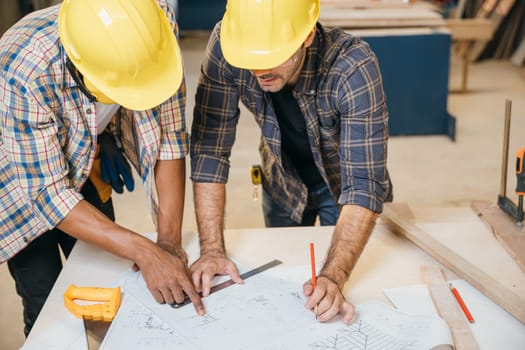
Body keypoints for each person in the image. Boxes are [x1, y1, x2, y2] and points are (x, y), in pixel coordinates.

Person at [0, 0, 204, 337]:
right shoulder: (22, 68)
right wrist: (145, 250)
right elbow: (48, 195)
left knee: (103, 283)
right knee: (46, 301)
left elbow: (169, 138)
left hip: (83, 155)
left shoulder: (153, 29)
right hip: (16, 180)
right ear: (81, 68)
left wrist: (167, 243)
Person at [189, 0, 392, 324]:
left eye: (272, 58)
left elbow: (364, 185)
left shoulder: (353, 66)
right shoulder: (230, 43)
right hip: (282, 181)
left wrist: (333, 278)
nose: (259, 71)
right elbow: (210, 151)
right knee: (286, 273)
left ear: (308, 35)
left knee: (331, 288)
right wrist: (211, 250)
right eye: (251, 60)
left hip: (341, 191)